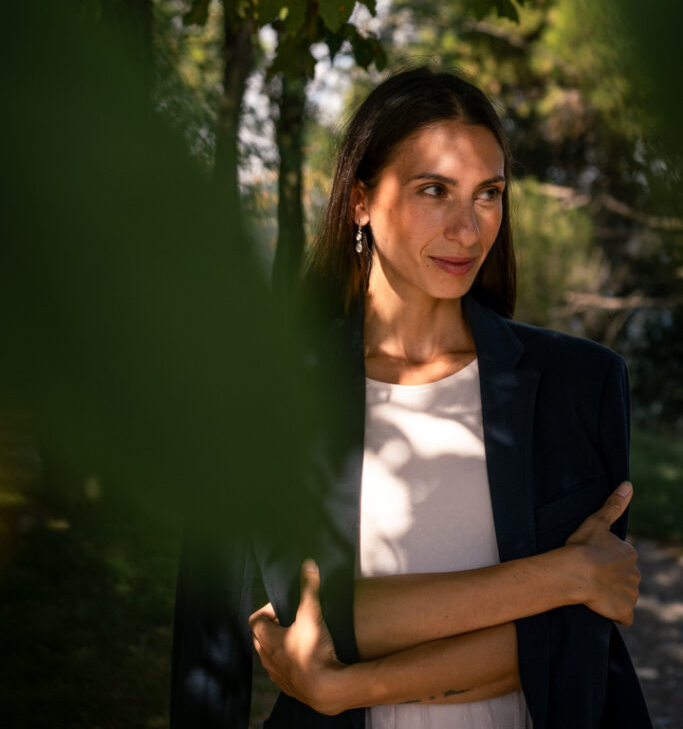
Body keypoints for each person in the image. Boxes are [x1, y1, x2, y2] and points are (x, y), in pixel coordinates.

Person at [171, 67, 652, 729]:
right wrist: (564, 577)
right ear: (360, 201)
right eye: (434, 190)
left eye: (488, 194)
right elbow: (325, 620)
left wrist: (344, 687)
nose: (467, 228)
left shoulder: (580, 382)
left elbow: (572, 638)